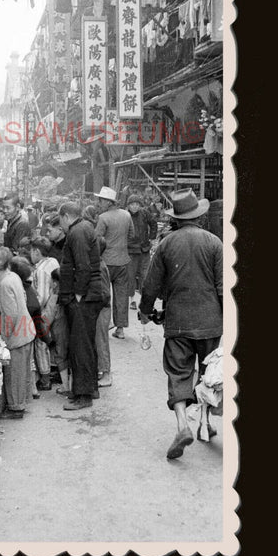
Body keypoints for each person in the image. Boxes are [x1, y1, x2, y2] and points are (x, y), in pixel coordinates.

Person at [138, 188, 223, 460]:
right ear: (198, 215)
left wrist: (145, 311)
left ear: (176, 217)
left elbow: (150, 286)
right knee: (209, 374)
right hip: (210, 322)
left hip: (178, 322)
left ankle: (183, 425)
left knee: (179, 374)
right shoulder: (214, 243)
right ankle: (205, 424)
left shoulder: (165, 244)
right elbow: (223, 288)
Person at [58, 202, 103, 411]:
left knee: (80, 346)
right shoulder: (84, 228)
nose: (61, 225)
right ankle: (90, 387)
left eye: (60, 220)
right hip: (90, 295)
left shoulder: (77, 232)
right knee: (86, 343)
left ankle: (83, 394)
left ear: (66, 216)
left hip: (84, 297)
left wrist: (77, 294)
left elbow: (83, 267)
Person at [0, 247, 36, 419]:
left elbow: (10, 315)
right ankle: (21, 403)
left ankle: (16, 408)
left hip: (17, 335)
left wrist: (4, 339)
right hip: (26, 329)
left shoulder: (5, 283)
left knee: (14, 373)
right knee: (22, 372)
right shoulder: (13, 276)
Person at [94, 186, 134, 340]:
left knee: (104, 293)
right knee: (122, 295)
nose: (99, 203)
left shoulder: (103, 218)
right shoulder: (127, 215)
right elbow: (132, 234)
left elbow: (97, 239)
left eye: (101, 200)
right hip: (123, 261)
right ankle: (120, 328)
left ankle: (106, 323)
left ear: (109, 202)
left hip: (106, 261)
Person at [10, 256, 48, 400]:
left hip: (25, 330)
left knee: (27, 361)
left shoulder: (21, 289)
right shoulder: (30, 287)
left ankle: (29, 388)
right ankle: (32, 388)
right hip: (31, 329)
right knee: (30, 360)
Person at [30, 237, 60, 391]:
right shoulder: (53, 261)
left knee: (40, 342)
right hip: (56, 305)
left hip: (46, 309)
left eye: (31, 251)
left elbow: (41, 297)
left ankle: (45, 378)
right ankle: (55, 370)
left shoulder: (40, 271)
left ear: (36, 251)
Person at [126, 194, 157, 311]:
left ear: (140, 205)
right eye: (132, 204)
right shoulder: (125, 215)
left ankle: (143, 300)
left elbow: (153, 223)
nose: (134, 207)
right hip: (131, 250)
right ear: (128, 206)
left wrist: (152, 237)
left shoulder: (144, 213)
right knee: (131, 275)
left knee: (145, 275)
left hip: (144, 249)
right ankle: (132, 300)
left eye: (137, 204)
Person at [47, 268, 71, 395]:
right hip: (70, 330)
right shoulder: (69, 296)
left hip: (58, 330)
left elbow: (47, 317)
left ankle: (65, 387)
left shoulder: (54, 298)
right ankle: (71, 384)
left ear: (55, 283)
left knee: (60, 357)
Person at [95, 236, 112, 388]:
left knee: (101, 341)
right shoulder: (99, 264)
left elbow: (105, 294)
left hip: (101, 309)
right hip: (101, 308)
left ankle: (106, 373)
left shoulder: (99, 267)